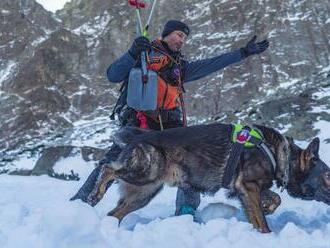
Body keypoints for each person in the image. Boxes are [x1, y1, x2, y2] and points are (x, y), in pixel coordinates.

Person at [72, 20, 269, 218]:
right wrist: (132, 53)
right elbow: (113, 75)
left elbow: (212, 64)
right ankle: (80, 205)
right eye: (179, 35)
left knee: (191, 164)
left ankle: (186, 211)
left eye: (185, 37)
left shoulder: (180, 68)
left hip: (171, 127)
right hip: (139, 122)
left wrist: (244, 52)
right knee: (114, 161)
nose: (182, 40)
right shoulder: (143, 54)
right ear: (166, 34)